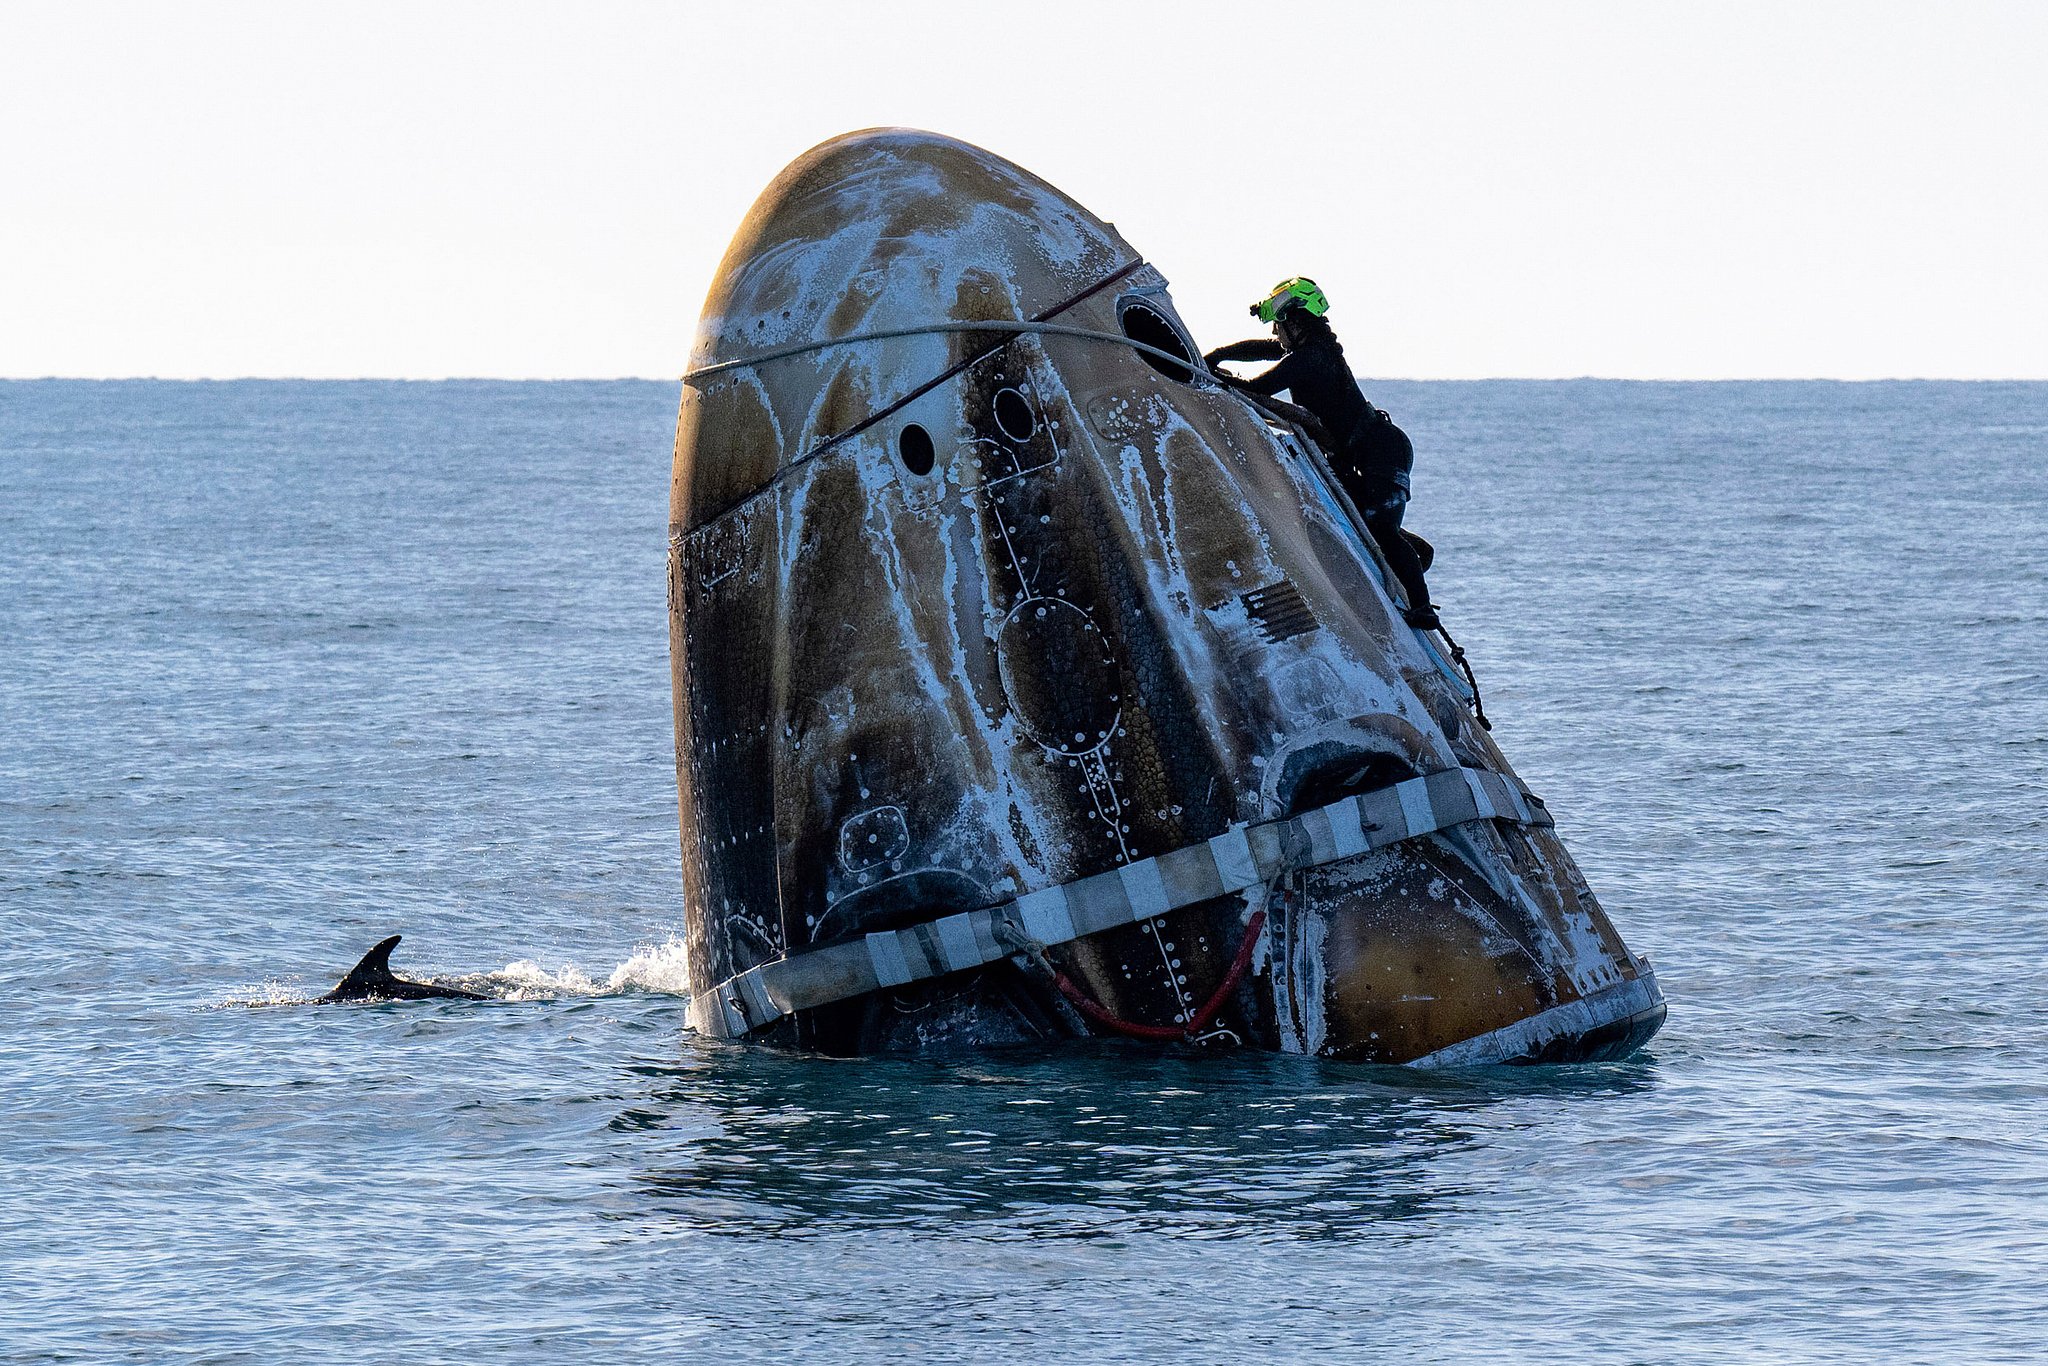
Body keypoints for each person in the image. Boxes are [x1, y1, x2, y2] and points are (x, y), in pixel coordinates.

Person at [1205, 278, 1440, 630]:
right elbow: (1265, 349)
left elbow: (1260, 388)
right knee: (1366, 523)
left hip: (1382, 450)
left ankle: (1422, 609)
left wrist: (1216, 373)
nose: (1274, 331)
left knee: (1382, 528)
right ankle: (1418, 555)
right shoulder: (1310, 351)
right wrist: (1218, 355)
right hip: (1363, 454)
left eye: (1278, 324)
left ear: (1295, 323)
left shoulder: (1311, 358)